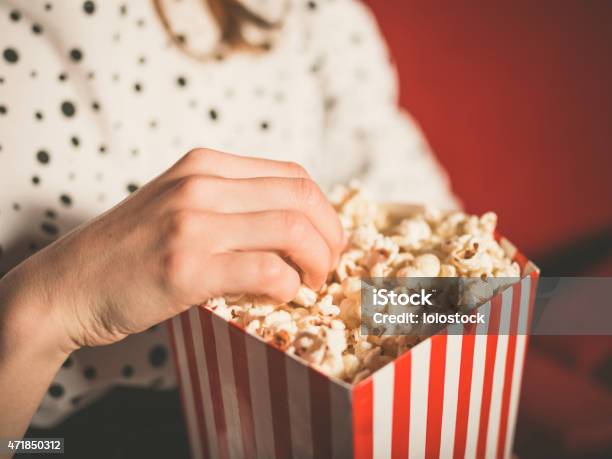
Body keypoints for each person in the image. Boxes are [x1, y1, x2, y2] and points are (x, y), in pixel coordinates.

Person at [0, 0, 456, 443]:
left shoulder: (306, 17)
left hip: (300, 423)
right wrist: (45, 310)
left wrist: (452, 404)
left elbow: (477, 290)